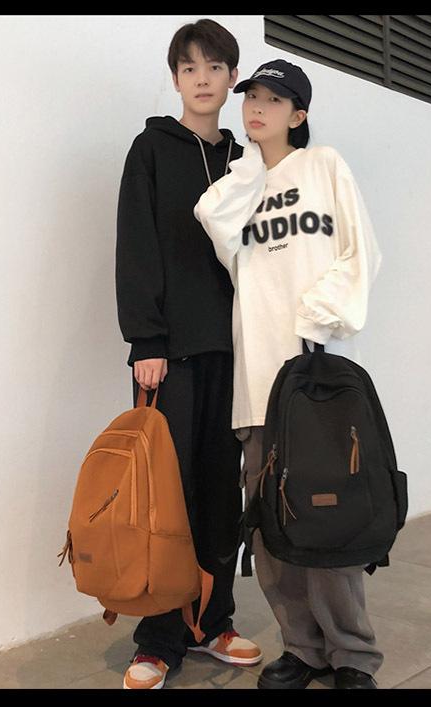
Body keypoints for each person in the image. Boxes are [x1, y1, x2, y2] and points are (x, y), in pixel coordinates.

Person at [194, 58, 384, 690]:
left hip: (317, 378)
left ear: (298, 114)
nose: (257, 108)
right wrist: (251, 167)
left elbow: (361, 253)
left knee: (328, 520)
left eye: (274, 100)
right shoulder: (237, 184)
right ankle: (302, 648)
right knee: (271, 529)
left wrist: (315, 318)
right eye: (251, 96)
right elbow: (213, 221)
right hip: (257, 381)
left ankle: (352, 654)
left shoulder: (324, 165)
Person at [114, 19, 262, 690]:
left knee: (219, 491)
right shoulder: (151, 149)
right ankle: (158, 638)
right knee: (163, 497)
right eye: (190, 68)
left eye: (215, 67)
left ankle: (214, 623)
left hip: (236, 351)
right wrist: (146, 340)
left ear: (233, 79)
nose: (203, 79)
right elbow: (136, 243)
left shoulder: (247, 159)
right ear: (175, 78)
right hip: (171, 353)